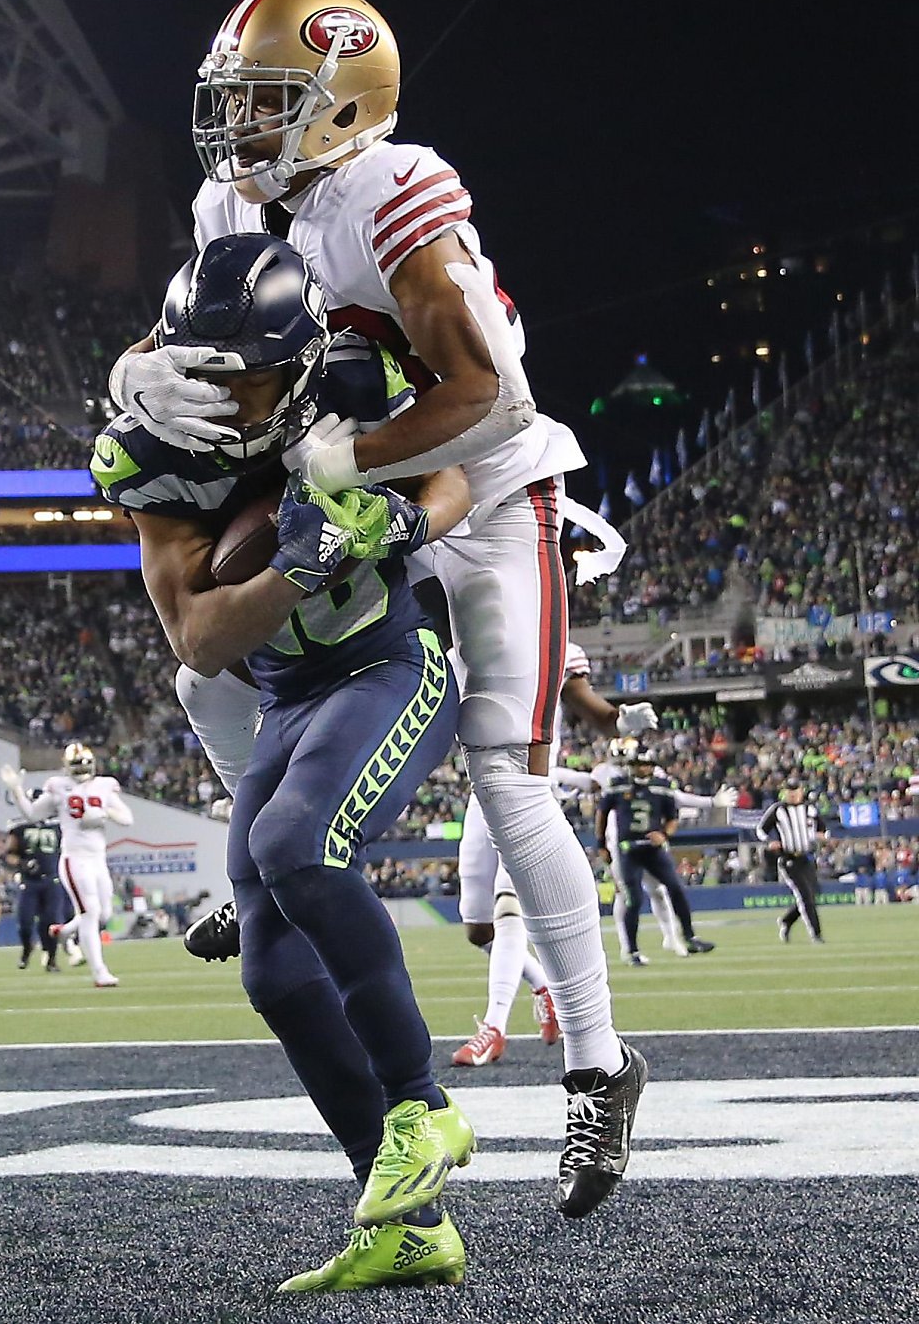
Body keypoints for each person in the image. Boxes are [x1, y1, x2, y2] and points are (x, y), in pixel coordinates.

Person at [107, 0, 645, 1216]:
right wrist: (140, 369)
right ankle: (255, 871)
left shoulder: (389, 189)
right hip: (348, 473)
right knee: (205, 666)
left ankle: (597, 1068)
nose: (236, 127)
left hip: (487, 481)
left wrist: (341, 464)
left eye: (264, 101)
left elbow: (488, 398)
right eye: (230, 100)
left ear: (342, 102)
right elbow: (179, 327)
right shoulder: (230, 199)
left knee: (504, 769)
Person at [102, 233, 476, 1291]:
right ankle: (403, 1226)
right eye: (208, 371)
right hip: (284, 693)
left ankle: (422, 1104)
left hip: (388, 665)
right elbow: (199, 639)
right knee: (271, 973)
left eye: (252, 370)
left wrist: (396, 521)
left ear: (301, 354)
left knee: (294, 844)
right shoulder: (151, 449)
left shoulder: (357, 381)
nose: (230, 394)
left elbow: (452, 474)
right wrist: (298, 569)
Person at [452, 636, 655, 1066]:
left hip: (526, 791)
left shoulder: (554, 640)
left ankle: (494, 1028)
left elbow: (590, 708)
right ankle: (544, 984)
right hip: (479, 792)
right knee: (478, 929)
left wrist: (620, 721)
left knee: (509, 915)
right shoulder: (463, 634)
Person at [1, 742, 133, 987]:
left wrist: (103, 814)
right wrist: (17, 790)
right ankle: (99, 972)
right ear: (66, 766)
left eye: (84, 763)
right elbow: (32, 814)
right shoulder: (59, 787)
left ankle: (63, 932)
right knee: (90, 913)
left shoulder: (104, 785)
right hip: (75, 859)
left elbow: (127, 819)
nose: (81, 768)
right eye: (76, 764)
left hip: (97, 860)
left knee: (104, 913)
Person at [601, 748, 715, 965]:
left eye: (644, 764)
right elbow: (602, 813)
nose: (641, 768)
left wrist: (663, 834)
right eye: (636, 764)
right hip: (627, 848)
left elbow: (672, 817)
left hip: (653, 850)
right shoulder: (617, 784)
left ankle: (689, 936)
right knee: (633, 898)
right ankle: (632, 950)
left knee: (675, 888)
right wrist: (601, 844)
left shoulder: (661, 787)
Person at [758, 781, 827, 944]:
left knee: (812, 895)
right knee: (805, 896)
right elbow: (761, 829)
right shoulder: (778, 809)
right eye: (789, 791)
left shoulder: (810, 808)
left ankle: (786, 920)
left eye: (795, 790)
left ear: (801, 791)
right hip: (788, 859)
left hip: (806, 858)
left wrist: (822, 836)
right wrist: (770, 841)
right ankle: (816, 934)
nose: (792, 794)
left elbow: (823, 828)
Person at [3, 817, 66, 971]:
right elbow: (9, 854)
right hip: (30, 882)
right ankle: (27, 948)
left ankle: (51, 959)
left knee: (51, 921)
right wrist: (22, 863)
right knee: (25, 922)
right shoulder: (20, 826)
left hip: (52, 880)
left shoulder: (58, 825)